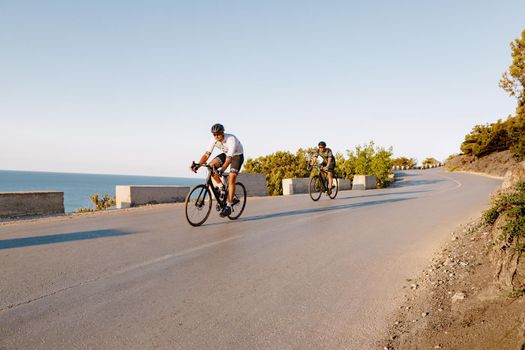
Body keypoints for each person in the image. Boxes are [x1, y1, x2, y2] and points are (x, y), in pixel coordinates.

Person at [191, 123, 244, 217]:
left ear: (223, 133)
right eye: (214, 134)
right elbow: (207, 154)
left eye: (218, 134)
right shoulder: (213, 140)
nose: (216, 136)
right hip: (226, 154)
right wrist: (198, 165)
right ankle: (222, 187)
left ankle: (229, 206)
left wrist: (222, 169)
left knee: (231, 178)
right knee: (210, 166)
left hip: (237, 156)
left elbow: (229, 159)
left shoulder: (230, 139)